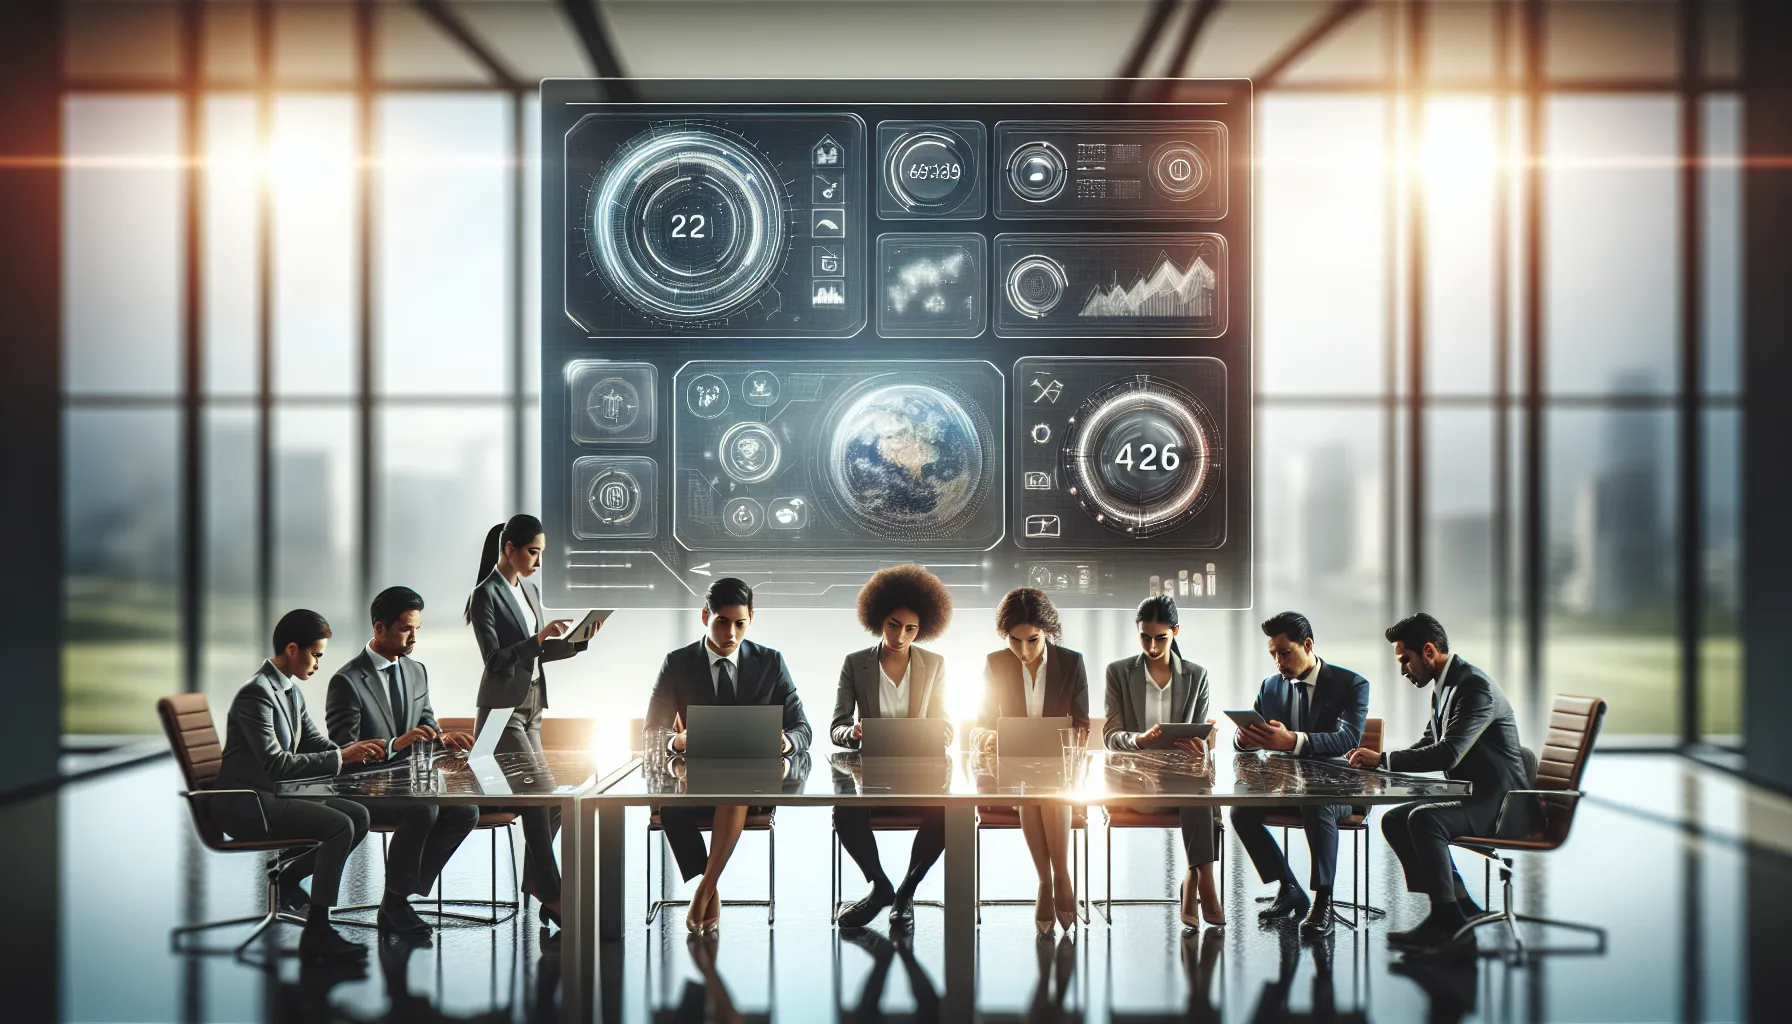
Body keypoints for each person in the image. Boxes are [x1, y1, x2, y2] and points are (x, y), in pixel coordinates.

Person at [1347, 612, 1541, 956]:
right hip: (1477, 796)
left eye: (1405, 659)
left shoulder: (1473, 688)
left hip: (1501, 805)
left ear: (1429, 651)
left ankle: (1447, 921)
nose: (1404, 669)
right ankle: (1458, 906)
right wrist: (1381, 761)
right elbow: (1428, 743)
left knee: (1424, 820)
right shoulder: (1446, 685)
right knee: (1394, 819)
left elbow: (1448, 753)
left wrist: (1383, 761)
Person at [211, 609, 385, 963]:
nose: (319, 663)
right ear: (292, 649)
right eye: (316, 654)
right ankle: (318, 931)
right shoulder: (256, 695)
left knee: (359, 816)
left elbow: (314, 744)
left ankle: (288, 876)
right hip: (249, 805)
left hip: (272, 797)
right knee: (340, 825)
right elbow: (275, 764)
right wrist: (342, 758)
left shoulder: (290, 691)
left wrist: (354, 752)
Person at [644, 576, 812, 932]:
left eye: (741, 623)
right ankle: (711, 887)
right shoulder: (677, 663)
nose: (731, 633)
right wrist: (678, 742)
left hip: (752, 786)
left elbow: (802, 728)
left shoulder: (771, 662)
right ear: (705, 616)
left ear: (752, 618)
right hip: (695, 784)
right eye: (722, 621)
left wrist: (785, 743)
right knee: (671, 807)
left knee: (738, 786)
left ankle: (704, 889)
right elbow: (652, 733)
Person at [324, 585, 479, 937]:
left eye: (417, 629)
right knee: (422, 809)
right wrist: (396, 743)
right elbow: (345, 751)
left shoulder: (416, 670)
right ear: (379, 628)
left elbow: (428, 723)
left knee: (464, 810)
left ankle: (397, 897)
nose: (413, 638)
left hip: (410, 781)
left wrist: (443, 738)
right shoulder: (347, 681)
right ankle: (395, 905)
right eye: (405, 629)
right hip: (363, 788)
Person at [465, 513, 596, 929]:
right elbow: (495, 659)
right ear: (510, 549)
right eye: (533, 552)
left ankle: (538, 882)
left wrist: (575, 644)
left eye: (541, 553)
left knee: (552, 800)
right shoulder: (485, 595)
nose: (538, 561)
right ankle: (554, 891)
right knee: (539, 796)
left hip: (533, 705)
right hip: (501, 711)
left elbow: (535, 654)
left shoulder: (531, 590)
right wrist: (537, 640)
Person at [1229, 610, 1370, 939]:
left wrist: (1292, 741)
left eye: (1284, 652)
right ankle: (1289, 887)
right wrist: (1244, 738)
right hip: (1285, 787)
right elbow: (1247, 738)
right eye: (1273, 654)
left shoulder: (1350, 685)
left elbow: (1348, 739)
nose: (1278, 662)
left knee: (1316, 803)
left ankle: (1323, 902)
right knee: (1240, 812)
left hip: (1337, 790)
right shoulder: (1270, 687)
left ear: (1307, 645)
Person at [830, 564, 955, 930]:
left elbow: (945, 723)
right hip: (872, 776)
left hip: (919, 776)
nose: (901, 636)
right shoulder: (855, 664)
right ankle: (880, 886)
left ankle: (906, 892)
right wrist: (851, 734)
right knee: (844, 812)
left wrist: (939, 735)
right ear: (878, 620)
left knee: (947, 814)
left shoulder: (934, 664)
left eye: (911, 629)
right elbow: (836, 726)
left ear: (923, 628)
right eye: (893, 625)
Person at [970, 587, 1089, 936]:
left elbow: (1082, 726)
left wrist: (1066, 748)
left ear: (1047, 632)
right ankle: (1047, 880)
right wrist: (989, 737)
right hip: (1014, 769)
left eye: (1033, 640)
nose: (1023, 651)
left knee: (1051, 790)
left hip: (1061, 768)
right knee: (1029, 790)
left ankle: (1059, 876)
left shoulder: (1071, 662)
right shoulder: (996, 663)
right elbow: (980, 725)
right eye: (1015, 640)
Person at [1103, 594, 1224, 927]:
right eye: (1145, 637)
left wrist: (1202, 741)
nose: (1153, 646)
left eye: (1161, 638)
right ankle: (1201, 884)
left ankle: (1198, 882)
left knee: (1197, 788)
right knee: (1201, 795)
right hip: (1133, 778)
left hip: (1179, 777)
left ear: (1176, 632)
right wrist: (1139, 741)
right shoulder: (1118, 673)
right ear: (1138, 632)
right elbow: (1110, 736)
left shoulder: (1197, 676)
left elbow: (1199, 734)